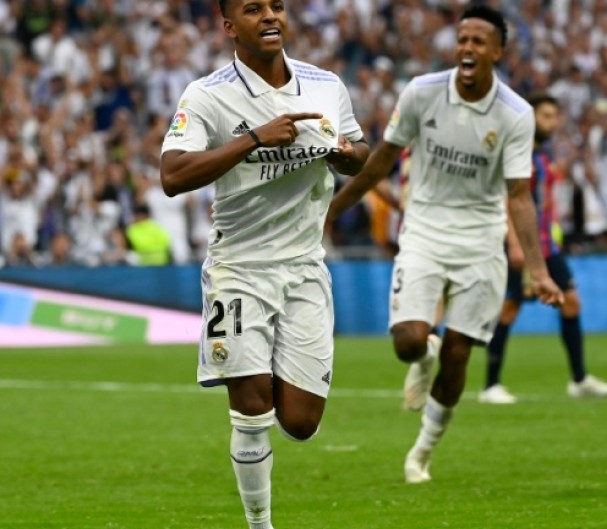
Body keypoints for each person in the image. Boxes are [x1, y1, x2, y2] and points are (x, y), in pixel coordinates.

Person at [327, 5, 563, 484]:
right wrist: (331, 209)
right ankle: (423, 355)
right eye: (463, 40)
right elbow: (380, 163)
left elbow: (519, 197)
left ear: (496, 52)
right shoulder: (422, 92)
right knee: (409, 342)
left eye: (479, 41)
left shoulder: (516, 116)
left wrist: (539, 272)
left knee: (460, 353)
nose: (468, 48)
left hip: (480, 240)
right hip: (425, 230)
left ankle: (421, 452)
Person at [159, 1, 370, 527]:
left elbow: (361, 152)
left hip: (304, 267)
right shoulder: (206, 95)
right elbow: (172, 174)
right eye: (254, 9)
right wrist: (254, 137)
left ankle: (257, 362)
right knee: (251, 408)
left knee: (300, 422)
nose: (270, 15)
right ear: (230, 26)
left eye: (277, 5)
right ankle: (260, 525)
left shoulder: (326, 85)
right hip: (239, 267)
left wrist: (345, 155)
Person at [479, 95, 607, 405]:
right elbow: (508, 199)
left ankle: (579, 379)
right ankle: (490, 386)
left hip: (546, 245)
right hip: (523, 245)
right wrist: (514, 244)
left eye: (555, 116)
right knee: (509, 308)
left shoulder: (540, 155)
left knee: (571, 302)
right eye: (546, 115)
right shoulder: (517, 153)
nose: (552, 122)